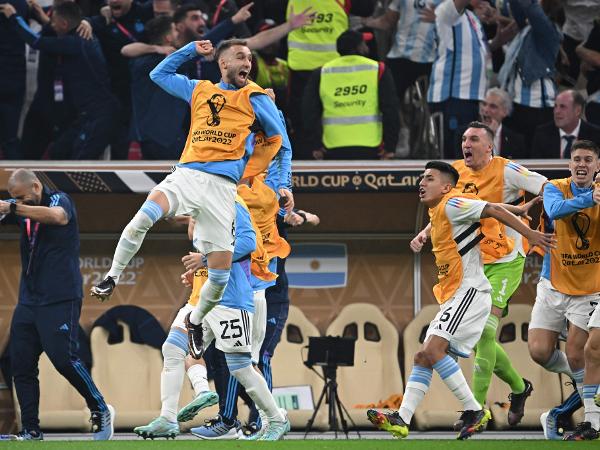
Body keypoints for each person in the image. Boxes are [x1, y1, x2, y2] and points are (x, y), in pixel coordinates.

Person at [90, 38, 294, 350]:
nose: (248, 63)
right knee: (142, 218)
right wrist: (188, 50)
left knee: (219, 273)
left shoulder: (255, 96)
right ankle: (112, 277)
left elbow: (282, 142)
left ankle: (196, 320)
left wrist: (283, 184)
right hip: (186, 175)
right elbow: (158, 75)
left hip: (223, 189)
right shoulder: (199, 89)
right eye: (241, 57)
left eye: (250, 58)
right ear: (223, 63)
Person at [367, 161, 554, 440]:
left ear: (445, 186)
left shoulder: (453, 203)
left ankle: (473, 409)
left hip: (469, 293)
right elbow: (489, 206)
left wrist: (531, 235)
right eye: (421, 178)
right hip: (455, 296)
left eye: (429, 178)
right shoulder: (441, 210)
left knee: (433, 352)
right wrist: (518, 209)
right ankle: (403, 418)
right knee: (423, 356)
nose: (422, 182)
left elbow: (491, 209)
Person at [411, 122, 548, 426]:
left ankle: (476, 412)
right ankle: (519, 388)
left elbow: (546, 186)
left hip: (506, 260)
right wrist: (426, 232)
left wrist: (545, 222)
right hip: (473, 262)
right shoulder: (454, 173)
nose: (466, 144)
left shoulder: (507, 170)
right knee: (474, 337)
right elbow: (449, 210)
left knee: (485, 331)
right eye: (463, 139)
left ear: (490, 146)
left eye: (474, 139)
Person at [0, 169, 114, 441]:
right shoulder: (24, 210)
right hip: (28, 300)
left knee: (64, 360)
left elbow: (58, 218)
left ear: (37, 187)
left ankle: (99, 407)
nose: (20, 203)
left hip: (60, 297)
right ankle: (31, 430)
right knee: (21, 365)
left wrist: (14, 208)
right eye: (15, 199)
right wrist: (12, 210)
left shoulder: (59, 200)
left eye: (23, 198)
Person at [527, 140, 600, 440]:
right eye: (576, 160)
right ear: (569, 164)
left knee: (578, 351)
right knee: (539, 351)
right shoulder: (554, 187)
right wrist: (591, 200)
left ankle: (591, 419)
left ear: (597, 165)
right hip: (553, 282)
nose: (581, 164)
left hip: (588, 287)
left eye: (588, 160)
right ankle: (586, 387)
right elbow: (555, 211)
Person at [0, 1, 119, 159]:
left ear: (64, 23)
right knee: (59, 152)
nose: (51, 25)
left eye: (53, 21)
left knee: (81, 162)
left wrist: (14, 17)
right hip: (85, 114)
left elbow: (36, 42)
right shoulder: (79, 36)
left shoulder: (75, 43)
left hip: (99, 114)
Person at [302, 30, 399, 160]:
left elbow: (309, 112)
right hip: (371, 145)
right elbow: (390, 110)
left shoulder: (322, 72)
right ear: (358, 47)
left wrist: (315, 146)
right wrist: (390, 147)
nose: (367, 46)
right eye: (364, 43)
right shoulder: (378, 69)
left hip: (332, 147)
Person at [426, 0, 488, 158]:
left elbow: (477, 51)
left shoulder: (471, 17)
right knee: (454, 156)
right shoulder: (446, 9)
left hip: (469, 97)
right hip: (452, 96)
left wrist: (502, 36)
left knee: (468, 155)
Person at [498, 0, 561, 148]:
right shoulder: (527, 28)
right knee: (517, 152)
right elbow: (519, 10)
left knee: (533, 153)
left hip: (537, 105)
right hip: (516, 101)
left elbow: (530, 8)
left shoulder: (548, 30)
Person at [531, 90, 600, 159]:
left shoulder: (596, 135)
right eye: (555, 106)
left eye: (562, 107)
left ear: (577, 111)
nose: (556, 111)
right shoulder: (542, 134)